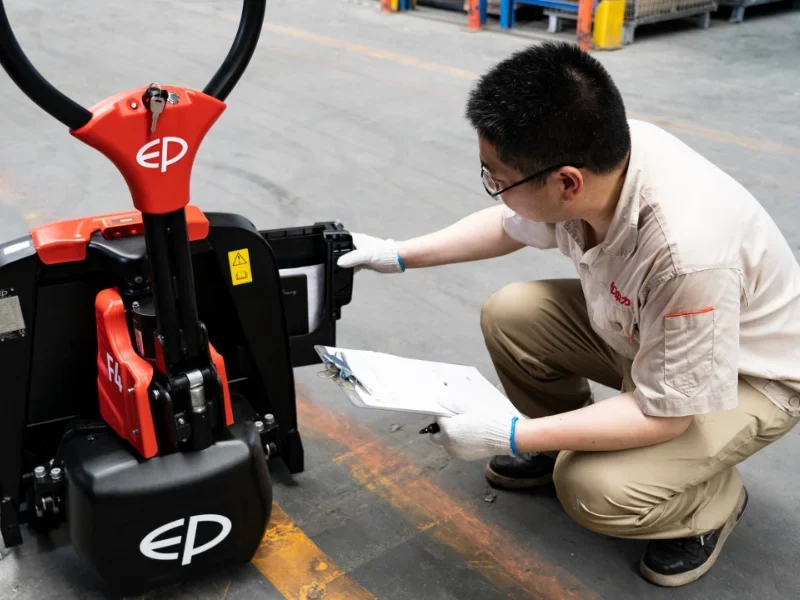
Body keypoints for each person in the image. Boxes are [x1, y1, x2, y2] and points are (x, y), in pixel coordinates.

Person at [336, 41, 800, 587]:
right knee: (513, 314)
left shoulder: (687, 253)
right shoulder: (603, 155)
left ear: (566, 183)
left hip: (745, 375)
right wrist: (395, 254)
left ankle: (709, 506)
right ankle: (556, 439)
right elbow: (507, 225)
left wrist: (511, 434)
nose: (494, 191)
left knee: (592, 489)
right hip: (646, 329)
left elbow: (665, 413)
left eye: (497, 179)